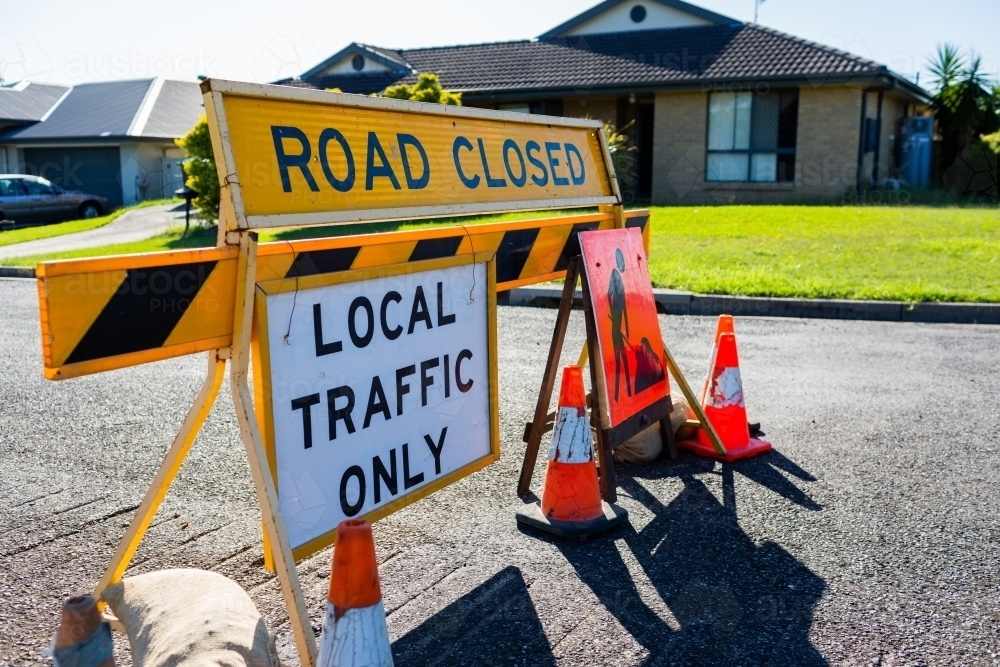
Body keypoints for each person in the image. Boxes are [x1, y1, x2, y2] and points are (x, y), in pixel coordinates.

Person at [607, 248, 631, 402]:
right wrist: (612, 315)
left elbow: (625, 306)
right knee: (619, 357)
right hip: (615, 326)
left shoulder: (620, 278)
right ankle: (616, 396)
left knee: (625, 357)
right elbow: (609, 294)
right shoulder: (614, 275)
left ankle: (629, 393)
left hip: (620, 323)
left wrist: (627, 326)